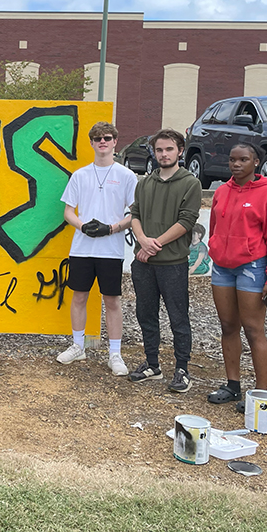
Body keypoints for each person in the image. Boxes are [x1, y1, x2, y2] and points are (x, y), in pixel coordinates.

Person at [205, 143, 267, 413]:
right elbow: (214, 228)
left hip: (252, 267)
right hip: (222, 268)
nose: (236, 164)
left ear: (256, 162)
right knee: (228, 326)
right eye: (232, 159)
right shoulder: (221, 191)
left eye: (243, 159)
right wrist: (215, 249)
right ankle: (232, 385)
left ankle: (260, 393)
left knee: (253, 330)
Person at [56, 121, 138, 375]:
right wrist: (82, 227)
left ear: (115, 141)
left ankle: (115, 353)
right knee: (79, 296)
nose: (102, 142)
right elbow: (68, 211)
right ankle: (78, 346)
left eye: (107, 138)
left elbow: (135, 212)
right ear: (91, 143)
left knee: (112, 300)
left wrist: (112, 228)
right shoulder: (80, 175)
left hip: (111, 249)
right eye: (97, 138)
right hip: (82, 248)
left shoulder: (126, 176)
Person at [128, 129, 202, 392]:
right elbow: (134, 214)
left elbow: (186, 221)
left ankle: (182, 369)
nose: (164, 154)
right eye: (159, 150)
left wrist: (153, 245)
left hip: (172, 264)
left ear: (180, 151)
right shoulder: (145, 183)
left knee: (178, 318)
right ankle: (152, 364)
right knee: (146, 314)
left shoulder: (190, 183)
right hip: (144, 264)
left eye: (169, 149)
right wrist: (142, 240)